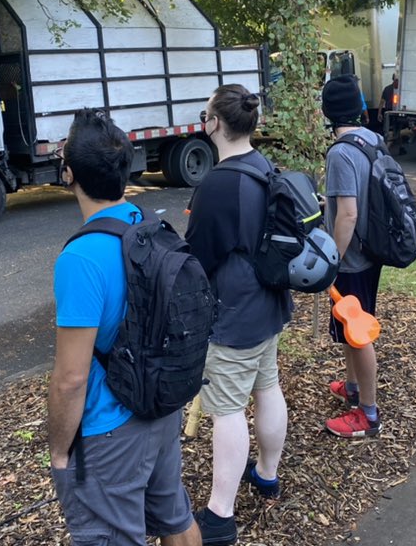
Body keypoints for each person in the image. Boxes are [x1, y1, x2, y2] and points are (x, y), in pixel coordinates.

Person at [48, 108, 200, 546]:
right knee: (175, 518)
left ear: (68, 174)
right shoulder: (147, 223)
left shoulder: (80, 259)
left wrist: (59, 452)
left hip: (109, 430)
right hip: (159, 406)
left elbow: (71, 378)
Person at [185, 84, 291, 546]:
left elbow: (197, 257)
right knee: (267, 387)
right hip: (269, 303)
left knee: (227, 410)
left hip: (234, 314)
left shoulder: (217, 183)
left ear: (214, 123)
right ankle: (267, 474)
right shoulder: (264, 166)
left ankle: (220, 515)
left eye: (204, 115)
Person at [321, 74, 386, 437]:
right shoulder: (372, 139)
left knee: (358, 332)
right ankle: (352, 388)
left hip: (351, 258)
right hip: (371, 251)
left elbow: (348, 214)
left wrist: (331, 260)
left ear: (327, 111)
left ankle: (368, 414)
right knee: (350, 325)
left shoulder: (340, 152)